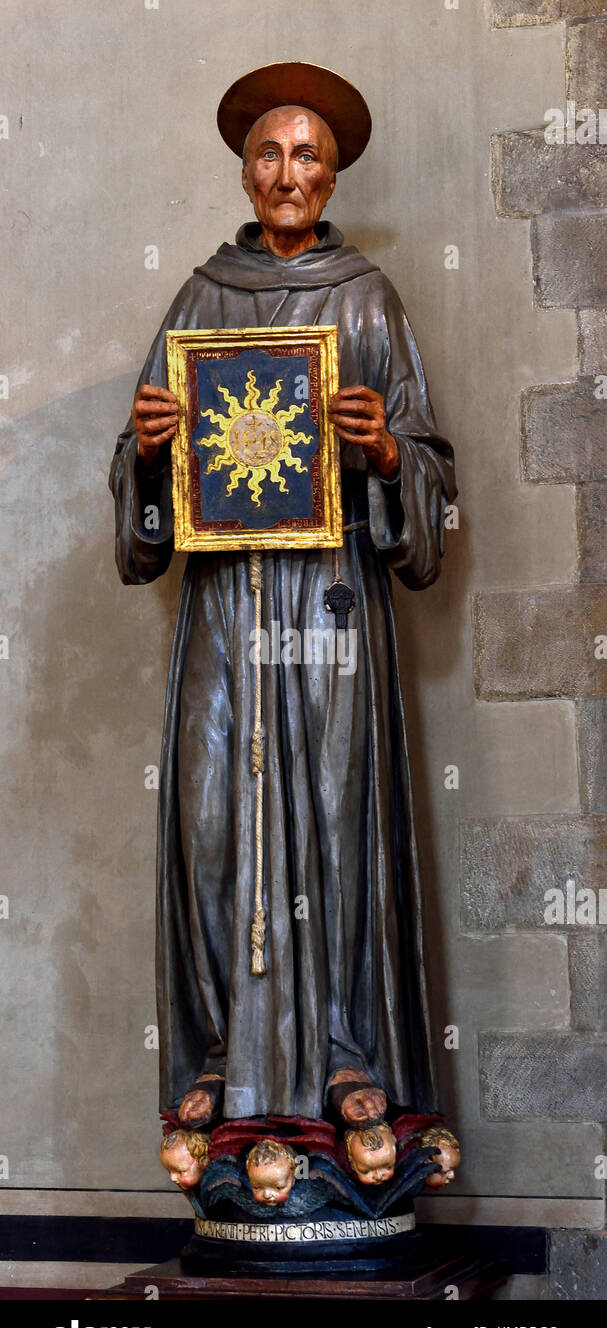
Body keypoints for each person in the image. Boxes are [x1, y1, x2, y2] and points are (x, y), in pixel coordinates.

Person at [109, 63, 457, 1136]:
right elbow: (142, 513)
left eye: (306, 154)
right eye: (269, 152)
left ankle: (347, 1052)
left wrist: (388, 452)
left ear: (334, 169)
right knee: (210, 818)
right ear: (245, 168)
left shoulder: (368, 298)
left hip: (331, 602)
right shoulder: (201, 297)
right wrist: (152, 454)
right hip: (224, 604)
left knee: (339, 824)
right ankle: (226, 1054)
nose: (286, 172)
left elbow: (434, 482)